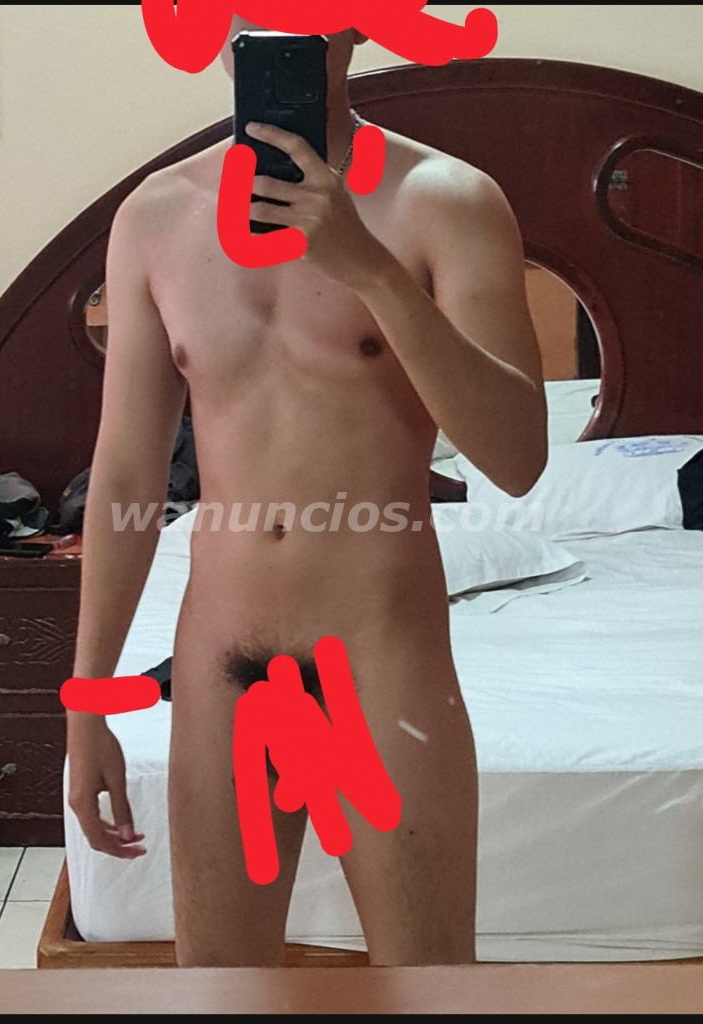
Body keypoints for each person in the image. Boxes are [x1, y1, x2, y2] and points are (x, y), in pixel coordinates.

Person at [67, 17, 548, 968]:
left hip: (379, 657)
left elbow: (519, 456)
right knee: (221, 991)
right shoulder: (155, 217)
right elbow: (125, 471)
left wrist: (367, 267)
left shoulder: (445, 200)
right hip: (221, 661)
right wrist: (88, 702)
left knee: (428, 988)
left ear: (357, 27)